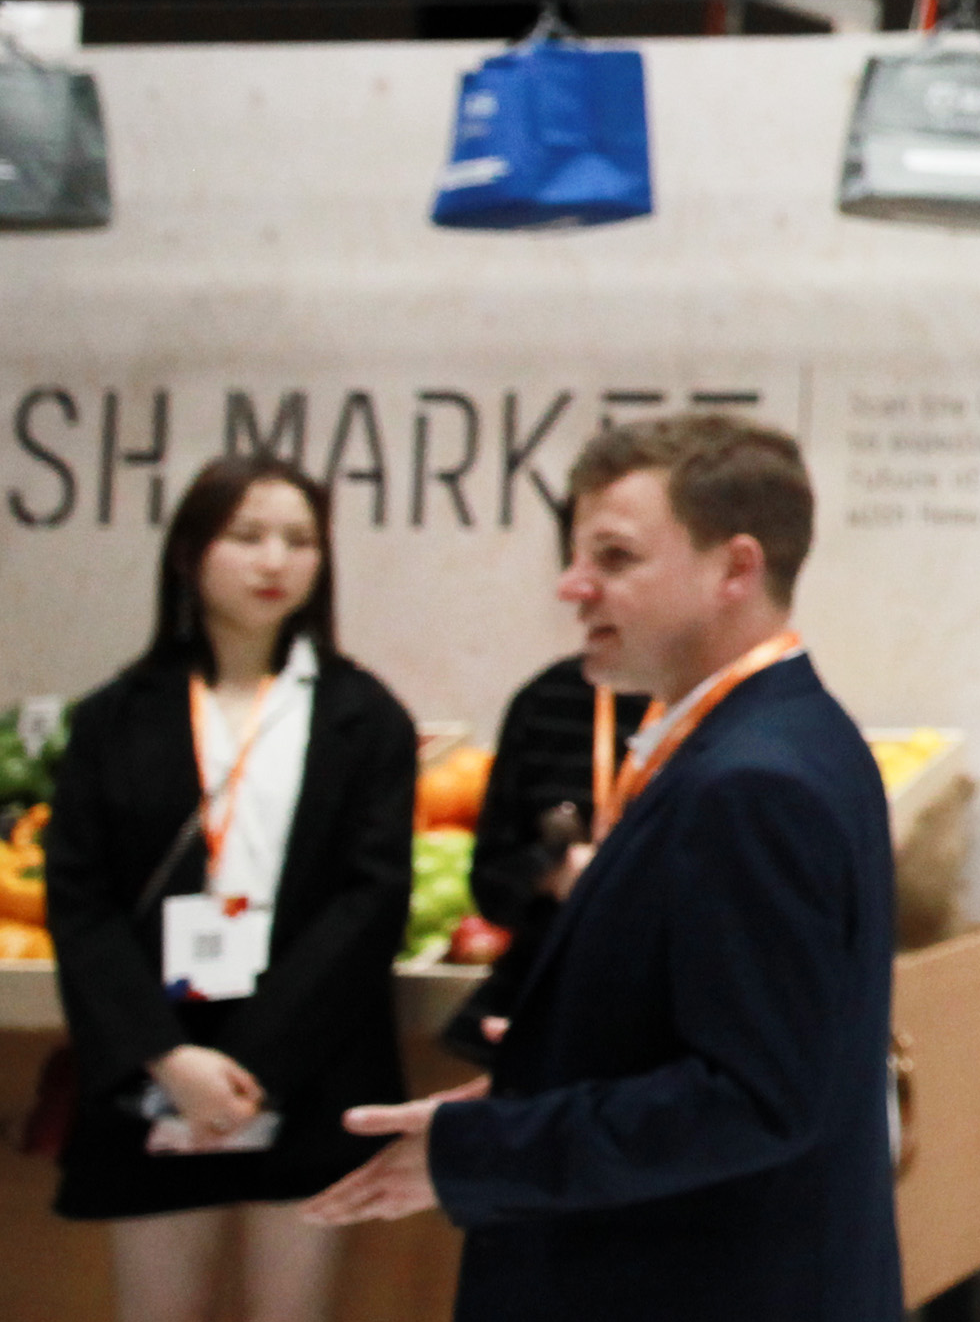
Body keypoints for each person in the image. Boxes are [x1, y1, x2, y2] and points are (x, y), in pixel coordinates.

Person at [300, 412, 901, 1319]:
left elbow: (752, 1098)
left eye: (614, 558)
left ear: (735, 568)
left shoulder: (754, 778)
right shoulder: (770, 736)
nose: (572, 586)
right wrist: (538, 1081)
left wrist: (484, 1150)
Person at [40, 455, 418, 1322]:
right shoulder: (114, 716)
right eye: (246, 535)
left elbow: (371, 900)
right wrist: (171, 1059)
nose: (274, 560)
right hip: (159, 1061)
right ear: (189, 552)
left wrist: (254, 1064)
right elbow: (81, 900)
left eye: (300, 539)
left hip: (309, 1062)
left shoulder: (366, 715)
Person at [439, 633, 641, 1066]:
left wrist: (622, 876)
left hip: (677, 1012)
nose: (577, 597)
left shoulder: (751, 701)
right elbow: (491, 882)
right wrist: (552, 870)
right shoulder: (552, 697)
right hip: (552, 1001)